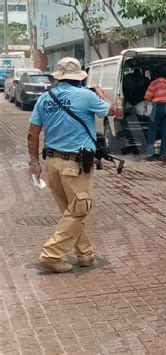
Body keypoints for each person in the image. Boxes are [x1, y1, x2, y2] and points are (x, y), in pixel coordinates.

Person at [27, 57, 114, 273]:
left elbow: (32, 135)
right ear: (79, 78)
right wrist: (101, 94)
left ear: (58, 76)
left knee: (71, 211)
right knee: (78, 211)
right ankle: (51, 254)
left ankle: (85, 254)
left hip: (52, 164)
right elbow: (112, 111)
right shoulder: (87, 96)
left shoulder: (44, 99)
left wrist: (34, 162)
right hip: (74, 165)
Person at [144, 68, 166, 158]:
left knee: (153, 129)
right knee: (165, 130)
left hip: (158, 106)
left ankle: (150, 152)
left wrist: (146, 108)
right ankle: (163, 154)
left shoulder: (154, 83)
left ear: (156, 75)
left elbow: (147, 96)